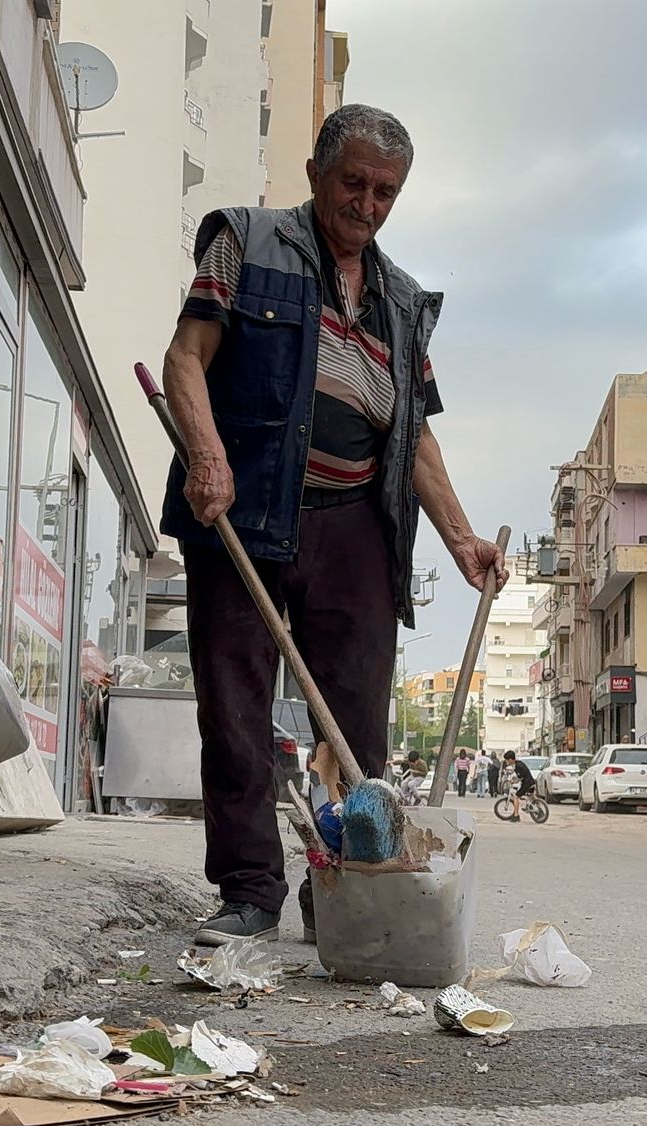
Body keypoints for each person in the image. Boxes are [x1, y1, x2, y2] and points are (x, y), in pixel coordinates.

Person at [165, 105, 507, 946]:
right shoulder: (245, 242)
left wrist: (462, 538)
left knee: (356, 733)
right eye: (353, 182)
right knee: (236, 712)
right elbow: (185, 360)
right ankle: (249, 893)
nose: (367, 203)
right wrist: (207, 458)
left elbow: (414, 437)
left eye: (385, 191)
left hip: (356, 524)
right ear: (318, 172)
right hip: (246, 509)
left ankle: (345, 896)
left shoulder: (400, 301)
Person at [503, 751, 537, 820]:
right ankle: (540, 809)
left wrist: (514, 781)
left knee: (516, 797)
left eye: (506, 760)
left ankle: (516, 815)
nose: (506, 762)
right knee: (531, 797)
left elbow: (520, 777)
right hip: (531, 782)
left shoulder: (518, 766)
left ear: (510, 760)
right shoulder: (519, 763)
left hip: (527, 783)